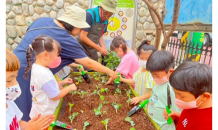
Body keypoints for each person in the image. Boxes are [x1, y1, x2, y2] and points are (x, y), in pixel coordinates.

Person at [13, 5, 116, 121]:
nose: (79, 32)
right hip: (24, 73)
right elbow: (89, 63)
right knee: (24, 111)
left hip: (13, 63)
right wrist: (110, 71)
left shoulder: (43, 21)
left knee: (19, 105)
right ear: (74, 25)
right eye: (80, 28)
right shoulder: (66, 38)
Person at [24, 35, 77, 123]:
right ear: (46, 55)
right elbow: (54, 96)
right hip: (45, 117)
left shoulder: (37, 67)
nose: (58, 58)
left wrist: (60, 83)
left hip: (38, 113)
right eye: (57, 55)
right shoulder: (44, 74)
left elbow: (44, 87)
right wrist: (69, 88)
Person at [5, 48, 55, 130]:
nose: (16, 84)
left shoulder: (8, 102)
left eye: (16, 77)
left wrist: (36, 125)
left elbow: (20, 123)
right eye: (9, 80)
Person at [132, 50, 182, 130]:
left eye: (157, 76)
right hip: (153, 123)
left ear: (171, 72)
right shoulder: (158, 82)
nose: (154, 78)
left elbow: (178, 115)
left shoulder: (173, 90)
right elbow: (154, 95)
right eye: (152, 75)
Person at [163, 62, 213, 130]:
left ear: (205, 96)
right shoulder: (196, 104)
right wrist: (177, 115)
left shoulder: (208, 123)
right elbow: (191, 118)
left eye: (182, 96)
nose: (177, 99)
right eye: (175, 93)